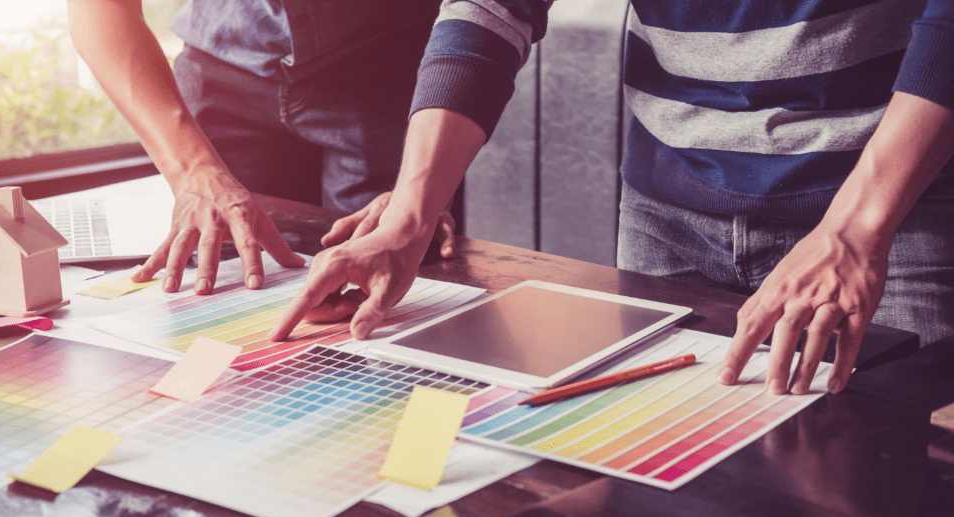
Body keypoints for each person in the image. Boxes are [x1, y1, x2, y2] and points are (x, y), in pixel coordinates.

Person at [272, 0, 954, 397]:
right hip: (667, 212)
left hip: (892, 214)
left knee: (892, 506)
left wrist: (856, 228)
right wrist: (409, 214)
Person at [66, 0, 456, 297]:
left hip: (390, 72)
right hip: (223, 67)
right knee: (222, 289)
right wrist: (193, 170)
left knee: (392, 289)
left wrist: (420, 195)